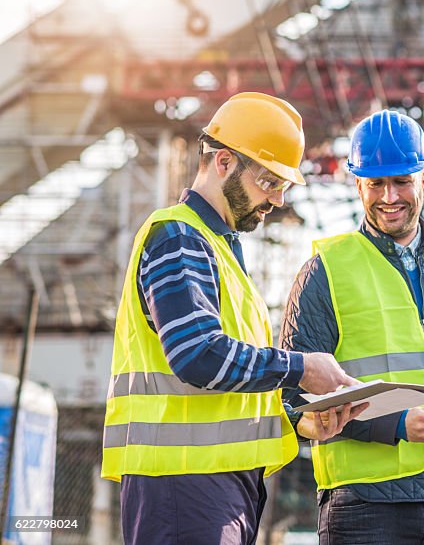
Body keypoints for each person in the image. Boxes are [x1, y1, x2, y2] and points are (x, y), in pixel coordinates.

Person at [101, 92, 366, 545]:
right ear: (223, 162)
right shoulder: (179, 237)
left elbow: (227, 390)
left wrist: (300, 421)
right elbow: (199, 356)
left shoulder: (218, 248)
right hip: (183, 487)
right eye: (269, 181)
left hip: (215, 487)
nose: (278, 200)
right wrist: (303, 368)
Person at [281, 109, 424, 544]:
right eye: (375, 184)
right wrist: (397, 424)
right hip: (362, 504)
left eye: (401, 181)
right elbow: (299, 397)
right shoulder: (326, 270)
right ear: (358, 185)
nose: (388, 197)